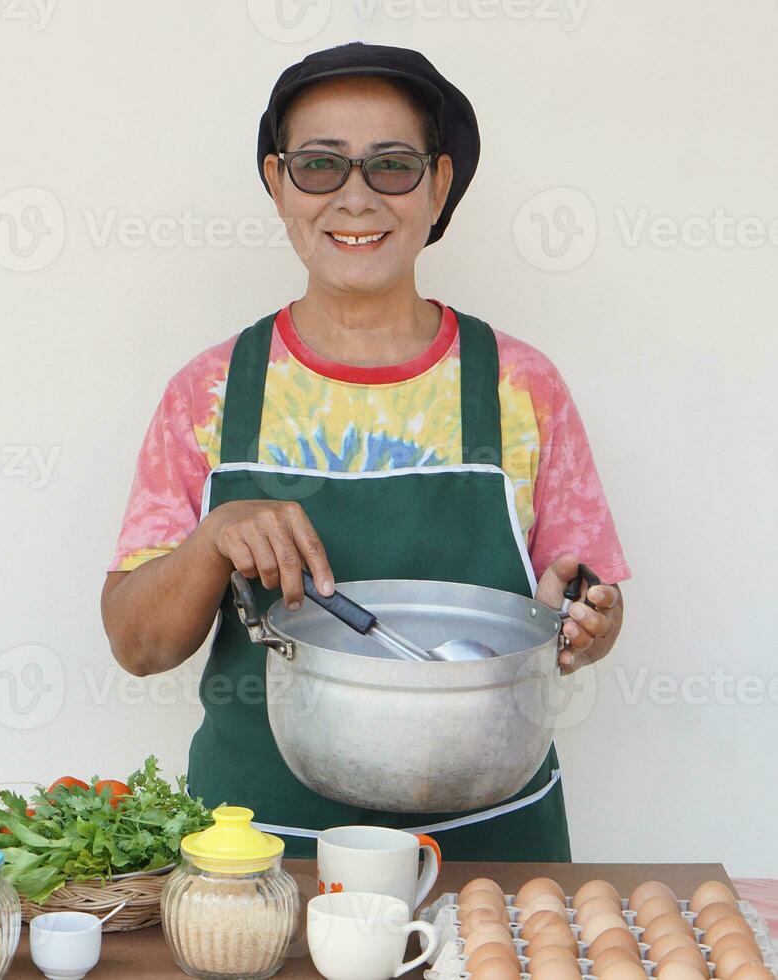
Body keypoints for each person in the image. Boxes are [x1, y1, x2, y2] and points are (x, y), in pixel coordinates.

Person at [100, 42, 629, 860]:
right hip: (256, 855)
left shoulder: (519, 387)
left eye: (391, 166)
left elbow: (586, 604)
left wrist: (585, 617)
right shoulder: (208, 394)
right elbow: (139, 647)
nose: (354, 197)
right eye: (319, 166)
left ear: (438, 185)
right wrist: (212, 540)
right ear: (277, 185)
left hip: (488, 852)